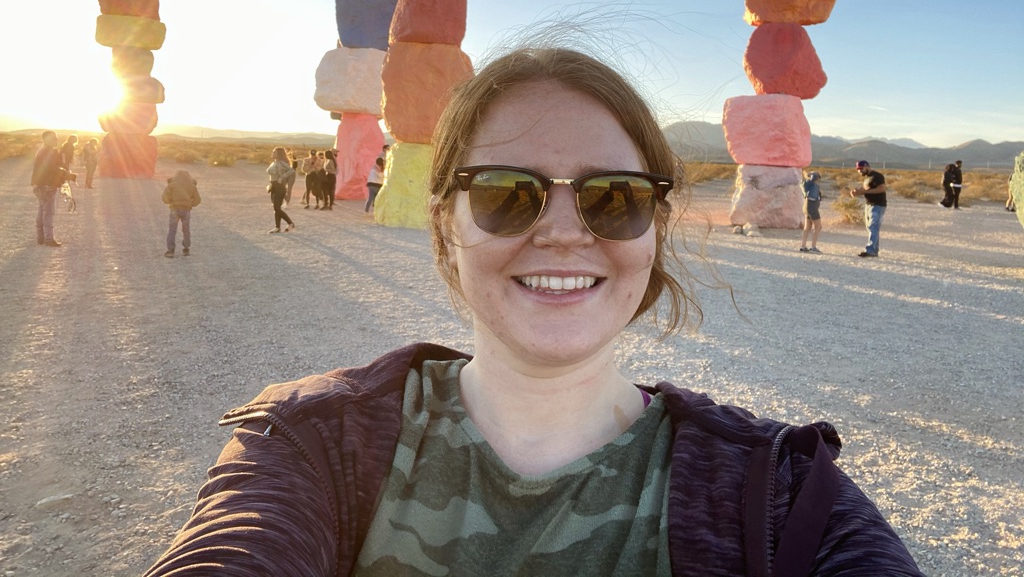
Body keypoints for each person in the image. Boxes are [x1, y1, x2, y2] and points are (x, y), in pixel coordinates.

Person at [145, 48, 922, 576]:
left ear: (655, 226)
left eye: (612, 197)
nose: (561, 231)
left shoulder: (777, 489)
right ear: (447, 217)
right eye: (505, 193)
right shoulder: (313, 443)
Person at [31, 130, 69, 247]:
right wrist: (65, 172)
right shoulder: (50, 152)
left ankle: (41, 237)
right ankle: (48, 239)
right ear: (46, 139)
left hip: (39, 184)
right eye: (53, 138)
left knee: (42, 209)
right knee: (48, 212)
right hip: (47, 185)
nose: (56, 140)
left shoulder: (41, 151)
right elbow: (52, 169)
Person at [850, 160, 887, 258]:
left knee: (873, 226)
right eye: (858, 169)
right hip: (869, 205)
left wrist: (864, 192)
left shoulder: (877, 176)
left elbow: (881, 189)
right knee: (871, 228)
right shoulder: (867, 178)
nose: (859, 171)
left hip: (878, 205)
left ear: (867, 166)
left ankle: (870, 250)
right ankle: (874, 250)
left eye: (861, 169)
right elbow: (867, 191)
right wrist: (857, 192)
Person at [162, 170, 201, 257]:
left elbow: (165, 198)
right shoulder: (192, 186)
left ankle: (170, 251)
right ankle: (186, 249)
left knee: (172, 230)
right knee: (186, 230)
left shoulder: (171, 185)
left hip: (174, 209)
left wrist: (170, 202)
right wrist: (190, 204)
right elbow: (197, 200)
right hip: (186, 210)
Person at [266, 147, 295, 233]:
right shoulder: (274, 163)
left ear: (279, 154)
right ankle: (277, 227)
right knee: (276, 208)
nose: (272, 153)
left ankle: (290, 223)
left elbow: (291, 170)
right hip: (273, 186)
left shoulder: (282, 163)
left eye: (274, 152)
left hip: (279, 186)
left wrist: (282, 177)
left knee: (277, 207)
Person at [799, 170, 823, 253]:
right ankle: (813, 246)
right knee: (818, 227)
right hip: (812, 206)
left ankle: (803, 246)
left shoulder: (806, 185)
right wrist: (813, 174)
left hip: (807, 205)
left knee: (807, 227)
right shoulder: (812, 184)